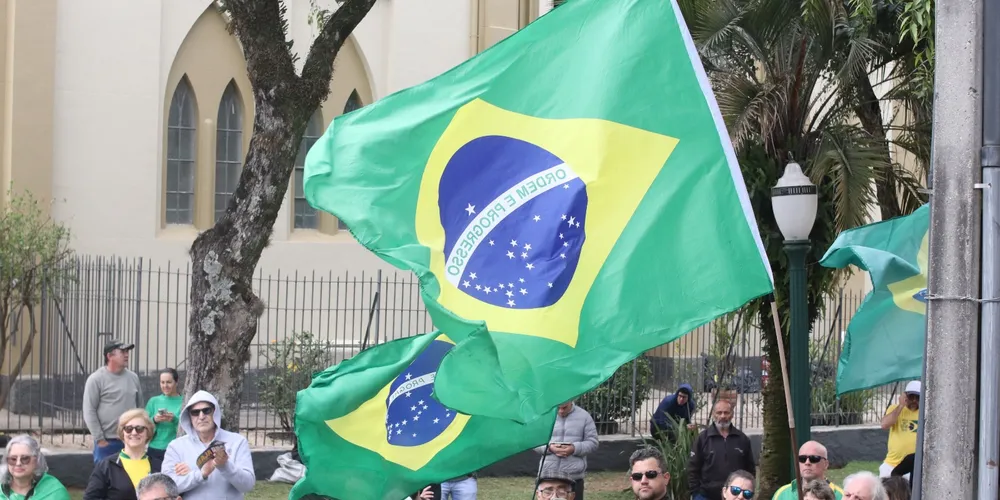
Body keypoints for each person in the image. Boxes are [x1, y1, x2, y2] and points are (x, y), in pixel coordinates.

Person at [162, 390, 255, 499]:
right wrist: (200, 474)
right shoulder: (176, 446)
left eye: (206, 411)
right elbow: (167, 488)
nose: (201, 416)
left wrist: (225, 465)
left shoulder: (237, 442)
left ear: (214, 412)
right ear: (189, 416)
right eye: (195, 412)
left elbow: (248, 486)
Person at [84, 339, 143, 463]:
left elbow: (140, 408)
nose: (127, 355)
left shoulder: (133, 377)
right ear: (109, 356)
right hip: (107, 441)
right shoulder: (96, 379)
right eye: (122, 351)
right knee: (105, 479)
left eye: (127, 351)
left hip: (131, 440)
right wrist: (100, 439)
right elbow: (89, 410)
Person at [85, 409, 163, 500]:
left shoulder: (159, 466)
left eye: (140, 429)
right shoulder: (106, 466)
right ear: (122, 433)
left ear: (148, 433)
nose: (134, 433)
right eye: (128, 429)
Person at [688, 400, 756, 500]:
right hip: (705, 495)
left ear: (732, 414)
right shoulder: (703, 439)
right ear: (713, 415)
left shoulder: (742, 439)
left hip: (735, 495)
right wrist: (696, 492)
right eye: (719, 412)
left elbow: (750, 469)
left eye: (726, 412)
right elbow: (692, 468)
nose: (723, 416)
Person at [533, 401, 599, 500]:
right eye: (558, 408)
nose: (560, 411)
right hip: (548, 475)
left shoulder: (584, 416)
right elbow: (534, 441)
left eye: (564, 407)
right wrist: (549, 448)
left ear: (571, 400)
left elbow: (593, 442)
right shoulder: (544, 416)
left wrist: (574, 448)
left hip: (574, 476)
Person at [0, 435, 70, 500]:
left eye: (25, 458)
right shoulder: (1, 487)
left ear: (37, 460)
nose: (18, 463)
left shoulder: (55, 492)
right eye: (13, 459)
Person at [773, 441, 844, 499]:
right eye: (802, 459)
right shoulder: (782, 494)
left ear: (826, 464)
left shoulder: (842, 496)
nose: (807, 462)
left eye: (814, 458)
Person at [879, 381, 920, 478]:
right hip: (892, 464)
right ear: (905, 396)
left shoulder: (925, 412)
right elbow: (884, 425)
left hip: (913, 465)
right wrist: (901, 406)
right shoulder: (895, 409)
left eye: (917, 397)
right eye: (911, 397)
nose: (914, 400)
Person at [146, 368, 183, 462]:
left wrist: (174, 419)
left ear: (176, 382)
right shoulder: (153, 401)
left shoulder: (184, 401)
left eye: (169, 382)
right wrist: (154, 420)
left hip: (175, 449)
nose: (165, 386)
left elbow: (187, 428)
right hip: (154, 448)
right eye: (162, 382)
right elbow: (143, 426)